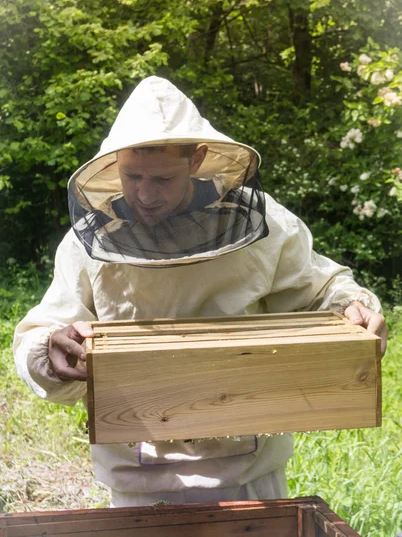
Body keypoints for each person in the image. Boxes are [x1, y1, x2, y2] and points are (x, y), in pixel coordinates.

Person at [14, 76, 387, 507]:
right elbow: (43, 332)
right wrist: (51, 351)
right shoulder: (91, 240)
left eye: (163, 179)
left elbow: (323, 287)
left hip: (246, 471)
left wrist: (354, 309)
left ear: (198, 160)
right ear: (114, 162)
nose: (145, 194)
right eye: (132, 176)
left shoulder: (263, 224)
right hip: (136, 479)